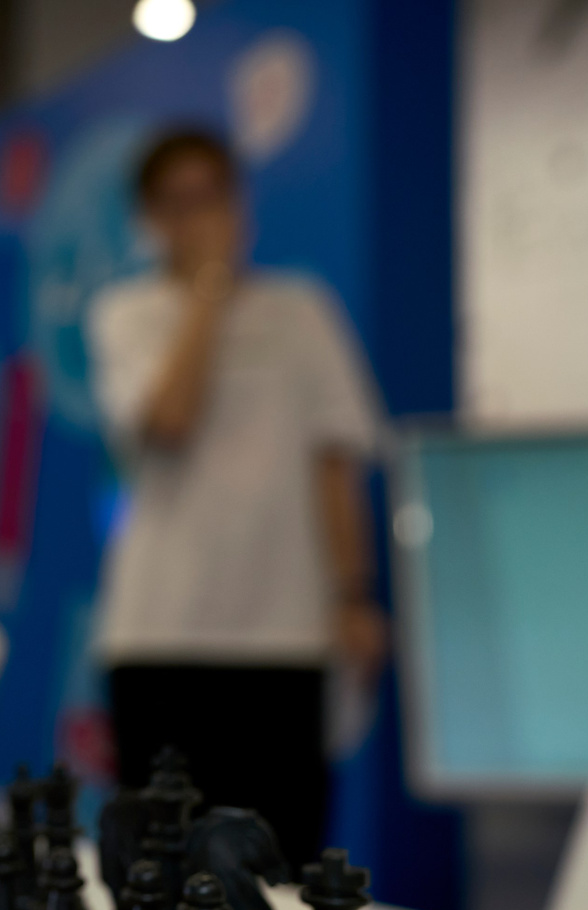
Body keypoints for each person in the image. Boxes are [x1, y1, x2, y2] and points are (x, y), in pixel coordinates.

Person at [84, 127, 386, 865]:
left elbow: (335, 460)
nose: (201, 218)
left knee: (280, 867)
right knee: (162, 871)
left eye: (212, 197)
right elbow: (170, 420)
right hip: (159, 636)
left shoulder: (302, 310)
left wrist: (353, 595)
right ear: (150, 218)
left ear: (240, 202)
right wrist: (209, 293)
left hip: (286, 637)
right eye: (178, 203)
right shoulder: (125, 313)